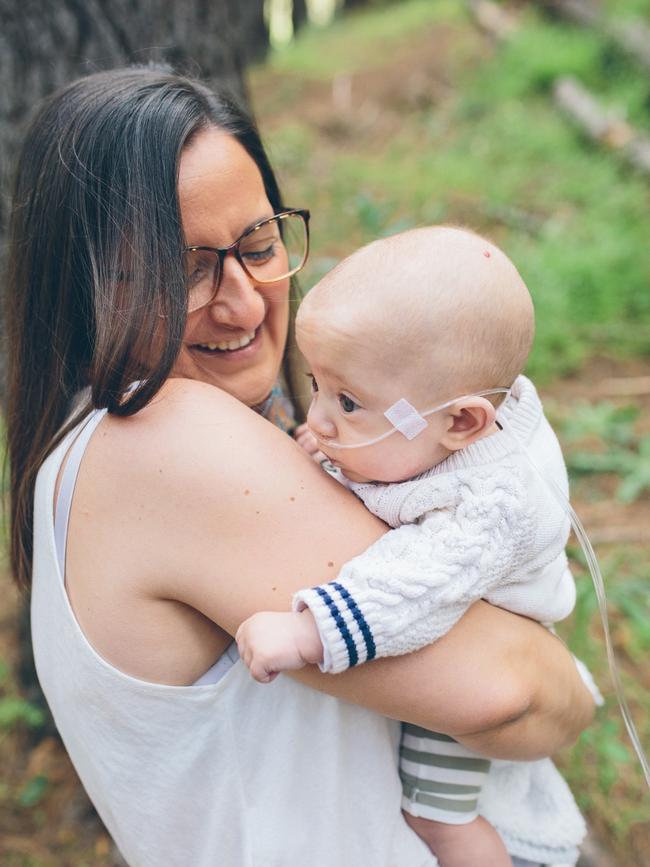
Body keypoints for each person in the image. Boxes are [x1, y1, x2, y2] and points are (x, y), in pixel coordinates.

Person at [5, 67, 594, 867]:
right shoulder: (162, 435)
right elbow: (513, 693)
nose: (244, 303)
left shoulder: (96, 448)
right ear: (83, 285)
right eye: (183, 269)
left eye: (257, 244)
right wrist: (561, 674)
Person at [236, 226, 591, 867]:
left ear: (462, 423)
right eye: (317, 385)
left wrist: (310, 633)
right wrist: (343, 443)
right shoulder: (424, 418)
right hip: (458, 604)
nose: (317, 417)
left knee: (435, 818)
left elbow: (418, 584)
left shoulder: (490, 507)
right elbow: (394, 451)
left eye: (347, 401)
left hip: (484, 629)